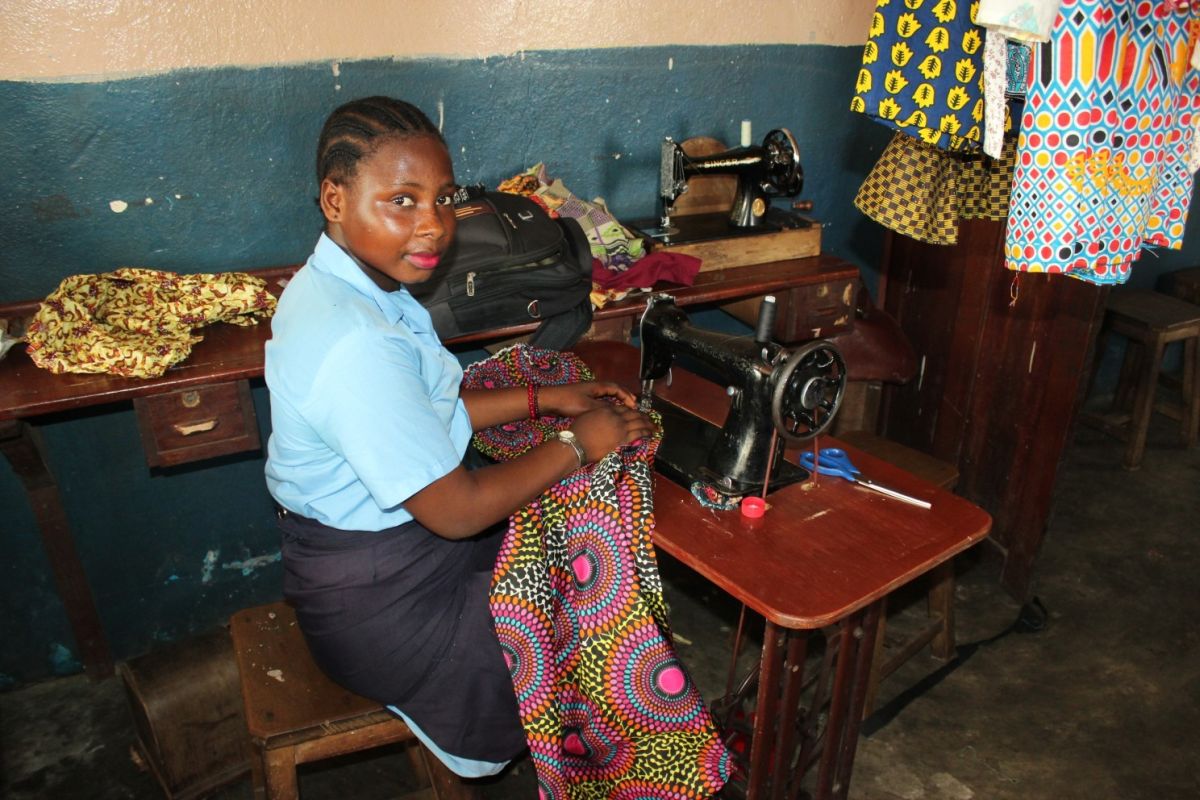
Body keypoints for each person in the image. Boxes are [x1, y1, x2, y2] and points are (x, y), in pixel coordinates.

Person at [263, 96, 654, 782]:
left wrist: (544, 398)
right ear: (334, 199)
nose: (434, 225)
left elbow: (422, 411)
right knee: (591, 626)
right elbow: (458, 511)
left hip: (385, 558)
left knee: (564, 554)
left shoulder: (346, 285)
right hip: (386, 607)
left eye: (443, 199)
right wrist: (577, 442)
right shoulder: (355, 341)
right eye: (402, 201)